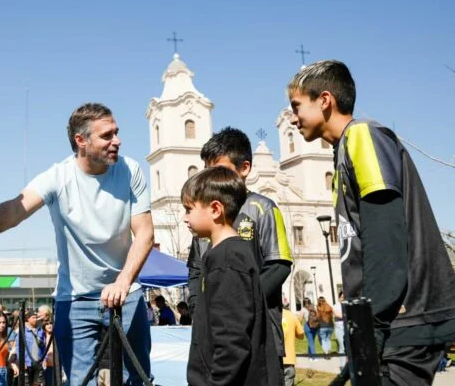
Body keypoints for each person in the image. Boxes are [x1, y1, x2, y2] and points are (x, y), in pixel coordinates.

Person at [0, 103, 154, 385]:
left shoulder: (130, 169)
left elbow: (145, 233)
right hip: (74, 300)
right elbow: (16, 208)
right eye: (107, 135)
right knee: (79, 381)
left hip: (127, 294)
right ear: (81, 141)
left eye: (116, 132)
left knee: (138, 379)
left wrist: (123, 282)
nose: (117, 141)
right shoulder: (58, 176)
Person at [287, 60, 455, 385]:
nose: (293, 118)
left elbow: (385, 238)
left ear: (324, 100)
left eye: (296, 106)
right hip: (383, 322)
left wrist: (373, 326)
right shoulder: (342, 151)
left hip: (404, 320)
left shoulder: (363, 136)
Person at [187, 127, 293, 371]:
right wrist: (199, 306)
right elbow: (195, 268)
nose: (212, 177)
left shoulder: (263, 208)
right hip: (213, 335)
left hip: (259, 333)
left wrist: (240, 302)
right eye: (208, 170)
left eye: (220, 170)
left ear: (244, 168)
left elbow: (279, 265)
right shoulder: (205, 214)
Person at [183, 166, 280, 386]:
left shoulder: (227, 260)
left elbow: (232, 340)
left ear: (215, 209)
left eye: (189, 209)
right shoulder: (225, 255)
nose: (184, 218)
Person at [11, 309, 46, 386]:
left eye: (36, 317)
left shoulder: (41, 331)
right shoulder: (22, 331)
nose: (35, 319)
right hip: (27, 362)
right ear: (28, 319)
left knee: (37, 383)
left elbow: (44, 346)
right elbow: (18, 348)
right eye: (33, 317)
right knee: (27, 383)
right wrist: (22, 361)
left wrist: (44, 359)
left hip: (38, 361)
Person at [281, 304, 305, 386]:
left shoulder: (267, 314)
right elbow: (301, 334)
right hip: (288, 359)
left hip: (272, 358)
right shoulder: (291, 315)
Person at [0, 312, 20, 386]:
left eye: (4, 322)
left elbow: (5, 357)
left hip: (4, 371)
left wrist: (12, 365)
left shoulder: (5, 337)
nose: (2, 325)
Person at [333, 291, 346, 359]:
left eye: (344, 297)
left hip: (347, 327)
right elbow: (337, 315)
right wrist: (346, 315)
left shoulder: (346, 305)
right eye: (342, 297)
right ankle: (342, 365)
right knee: (342, 346)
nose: (343, 299)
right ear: (339, 298)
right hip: (339, 329)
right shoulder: (335, 306)